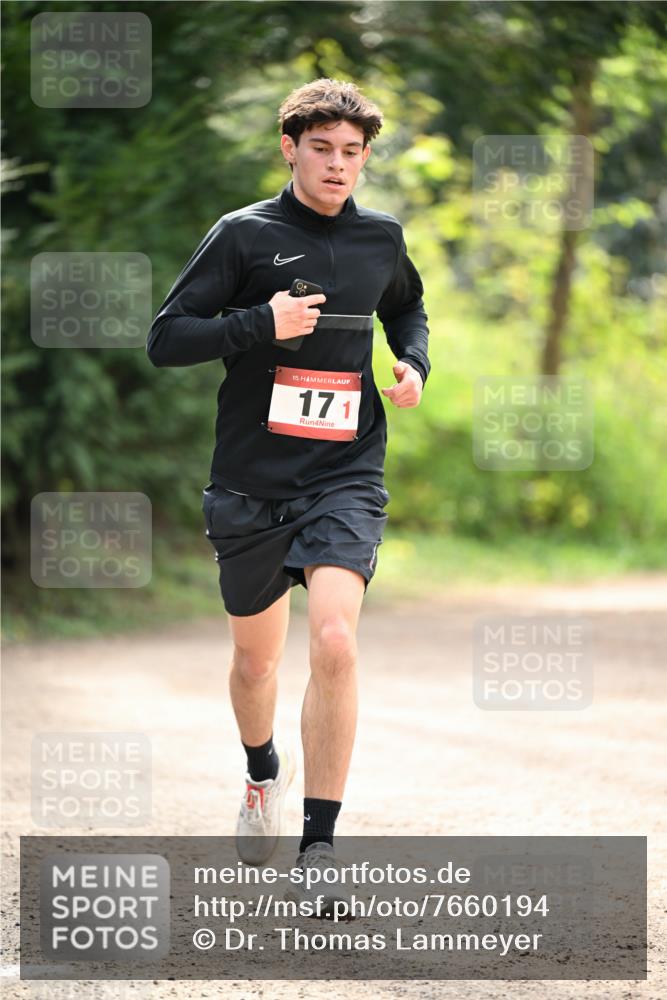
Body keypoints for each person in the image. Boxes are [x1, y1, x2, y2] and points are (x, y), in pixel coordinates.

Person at [147, 78, 430, 918]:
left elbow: (408, 311)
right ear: (290, 148)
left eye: (352, 153)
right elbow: (166, 339)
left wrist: (412, 363)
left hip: (345, 470)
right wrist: (257, 325)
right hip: (250, 481)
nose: (337, 166)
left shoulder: (381, 238)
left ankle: (319, 847)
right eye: (322, 149)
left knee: (336, 641)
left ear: (365, 158)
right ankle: (262, 770)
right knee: (256, 662)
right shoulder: (243, 235)